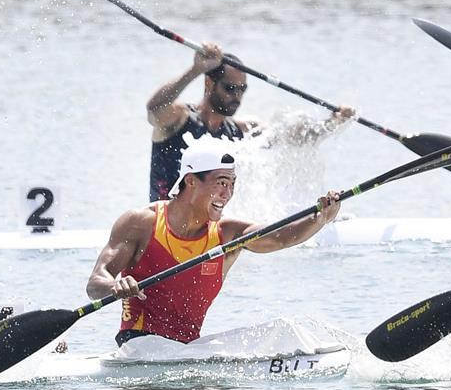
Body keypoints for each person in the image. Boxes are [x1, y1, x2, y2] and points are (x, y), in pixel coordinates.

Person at [86, 141, 341, 346]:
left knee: (282, 332)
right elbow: (96, 283)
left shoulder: (228, 234)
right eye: (221, 183)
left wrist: (320, 219)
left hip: (186, 350)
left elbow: (280, 237)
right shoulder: (141, 223)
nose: (227, 194)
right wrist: (115, 285)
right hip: (139, 345)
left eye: (232, 184)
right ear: (190, 181)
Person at [146, 42, 354, 201]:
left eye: (242, 89)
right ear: (209, 83)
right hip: (163, 225)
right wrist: (195, 70)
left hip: (208, 229)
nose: (237, 96)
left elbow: (291, 137)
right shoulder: (179, 119)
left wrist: (333, 122)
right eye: (230, 88)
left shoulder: (241, 130)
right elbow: (154, 109)